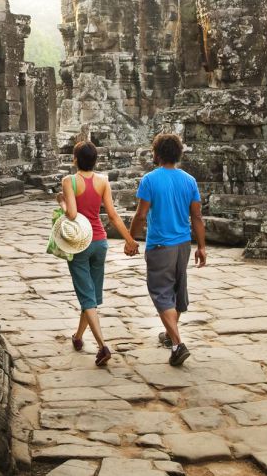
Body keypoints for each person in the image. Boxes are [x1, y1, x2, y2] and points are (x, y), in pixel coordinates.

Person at [129, 133, 206, 366]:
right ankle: (170, 334)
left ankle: (177, 343)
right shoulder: (189, 180)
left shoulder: (150, 180)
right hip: (183, 244)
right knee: (175, 291)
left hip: (160, 245)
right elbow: (197, 216)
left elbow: (141, 215)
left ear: (157, 154)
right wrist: (201, 246)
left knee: (162, 294)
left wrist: (130, 238)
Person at [59, 141, 139, 367]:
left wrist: (63, 203)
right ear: (96, 160)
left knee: (87, 297)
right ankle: (78, 336)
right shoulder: (103, 181)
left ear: (74, 159)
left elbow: (72, 214)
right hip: (100, 242)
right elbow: (112, 215)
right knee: (91, 295)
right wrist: (129, 239)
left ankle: (102, 345)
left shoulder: (70, 181)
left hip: (80, 244)